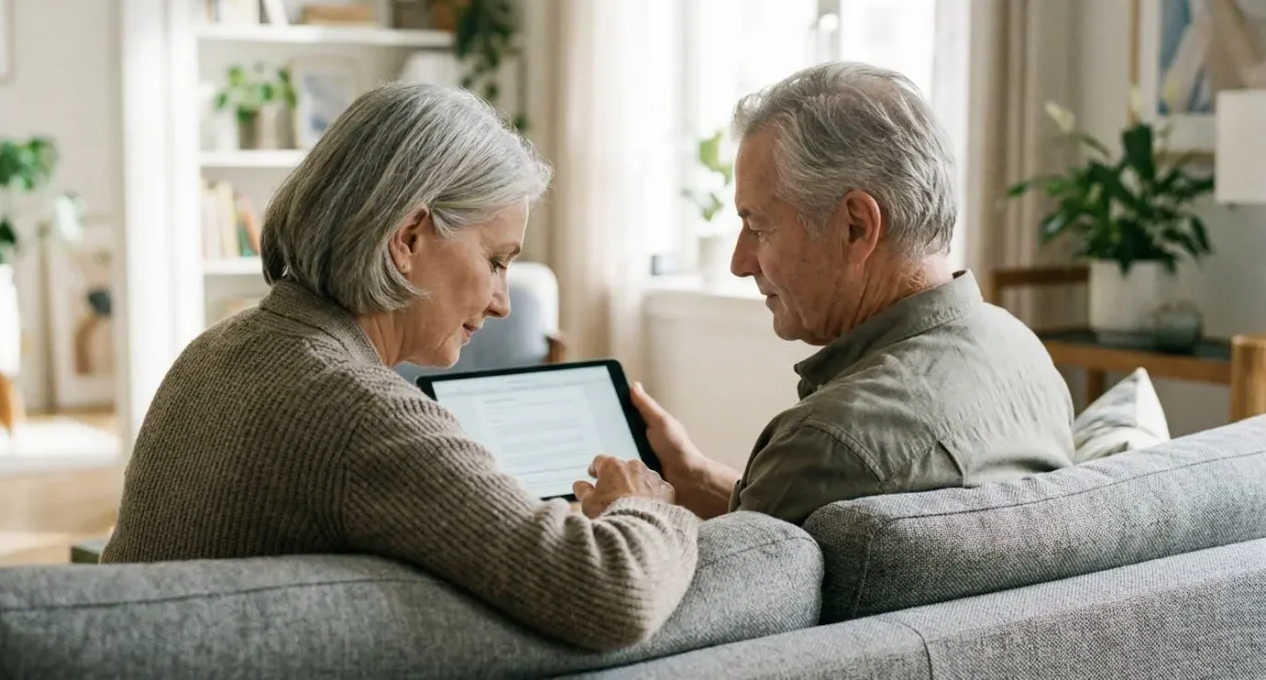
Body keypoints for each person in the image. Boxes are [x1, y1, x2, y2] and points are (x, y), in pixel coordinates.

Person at [101, 83, 699, 652]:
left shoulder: (212, 350)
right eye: (496, 261)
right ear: (408, 239)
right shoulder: (359, 412)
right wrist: (646, 506)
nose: (503, 302)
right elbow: (611, 593)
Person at [622, 62, 1076, 526]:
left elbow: (731, 572)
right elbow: (798, 538)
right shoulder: (1020, 351)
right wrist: (696, 478)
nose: (739, 263)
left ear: (856, 226)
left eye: (758, 227)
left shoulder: (826, 443)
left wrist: (638, 517)